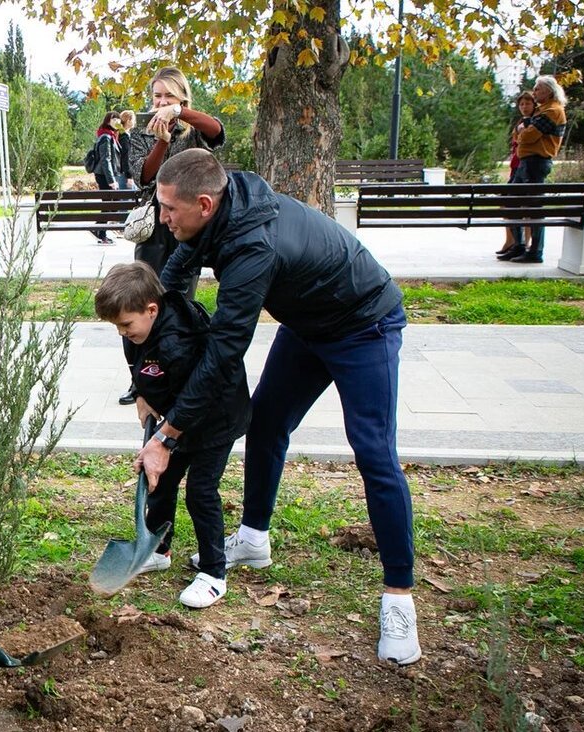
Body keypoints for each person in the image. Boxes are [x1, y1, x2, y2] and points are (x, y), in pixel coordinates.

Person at [144, 148, 421, 665]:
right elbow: (175, 279)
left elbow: (227, 347)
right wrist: (149, 343)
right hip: (309, 324)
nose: (162, 219)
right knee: (266, 423)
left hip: (364, 324)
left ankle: (399, 599)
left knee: (374, 455)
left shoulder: (253, 246)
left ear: (204, 204)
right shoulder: (219, 205)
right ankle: (253, 538)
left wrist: (169, 433)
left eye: (168, 210)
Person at [95, 262, 249, 608]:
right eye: (117, 326)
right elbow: (139, 363)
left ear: (151, 309)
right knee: (160, 482)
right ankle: (159, 548)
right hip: (178, 416)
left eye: (125, 325)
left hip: (214, 418)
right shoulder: (139, 330)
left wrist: (164, 439)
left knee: (200, 490)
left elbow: (199, 395)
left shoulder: (179, 342)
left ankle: (213, 573)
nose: (122, 332)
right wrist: (142, 394)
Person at [119, 67, 225, 406]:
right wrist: (162, 144)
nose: (160, 103)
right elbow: (144, 175)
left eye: (168, 96)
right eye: (157, 97)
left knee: (179, 302)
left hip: (188, 230)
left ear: (181, 99)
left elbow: (218, 132)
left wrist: (179, 115)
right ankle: (139, 379)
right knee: (141, 301)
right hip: (154, 230)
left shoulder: (193, 131)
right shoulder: (142, 133)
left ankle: (176, 372)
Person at [499, 75, 568, 265]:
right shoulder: (541, 111)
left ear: (548, 91)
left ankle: (535, 251)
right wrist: (524, 129)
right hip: (525, 162)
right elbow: (520, 133)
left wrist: (524, 129)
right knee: (510, 201)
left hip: (536, 162)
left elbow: (528, 137)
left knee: (534, 208)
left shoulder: (552, 111)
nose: (535, 91)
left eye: (538, 89)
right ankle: (518, 245)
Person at [496, 91, 537, 257]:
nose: (524, 107)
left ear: (534, 105)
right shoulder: (521, 122)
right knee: (507, 203)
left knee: (526, 207)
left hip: (526, 168)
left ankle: (525, 242)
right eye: (521, 104)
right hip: (516, 168)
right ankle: (512, 240)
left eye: (528, 104)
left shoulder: (533, 123)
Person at [89, 111, 124, 245]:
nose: (117, 121)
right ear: (108, 120)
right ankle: (101, 232)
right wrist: (111, 181)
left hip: (106, 174)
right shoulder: (106, 136)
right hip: (104, 175)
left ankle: (98, 229)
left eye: (118, 119)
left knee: (110, 204)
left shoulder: (111, 135)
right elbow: (106, 160)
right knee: (109, 204)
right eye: (114, 119)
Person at [117, 110, 137, 190]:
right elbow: (126, 157)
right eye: (133, 120)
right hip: (124, 175)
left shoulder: (118, 134)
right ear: (128, 120)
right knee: (127, 200)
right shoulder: (124, 137)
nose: (135, 122)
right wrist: (129, 177)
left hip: (119, 173)